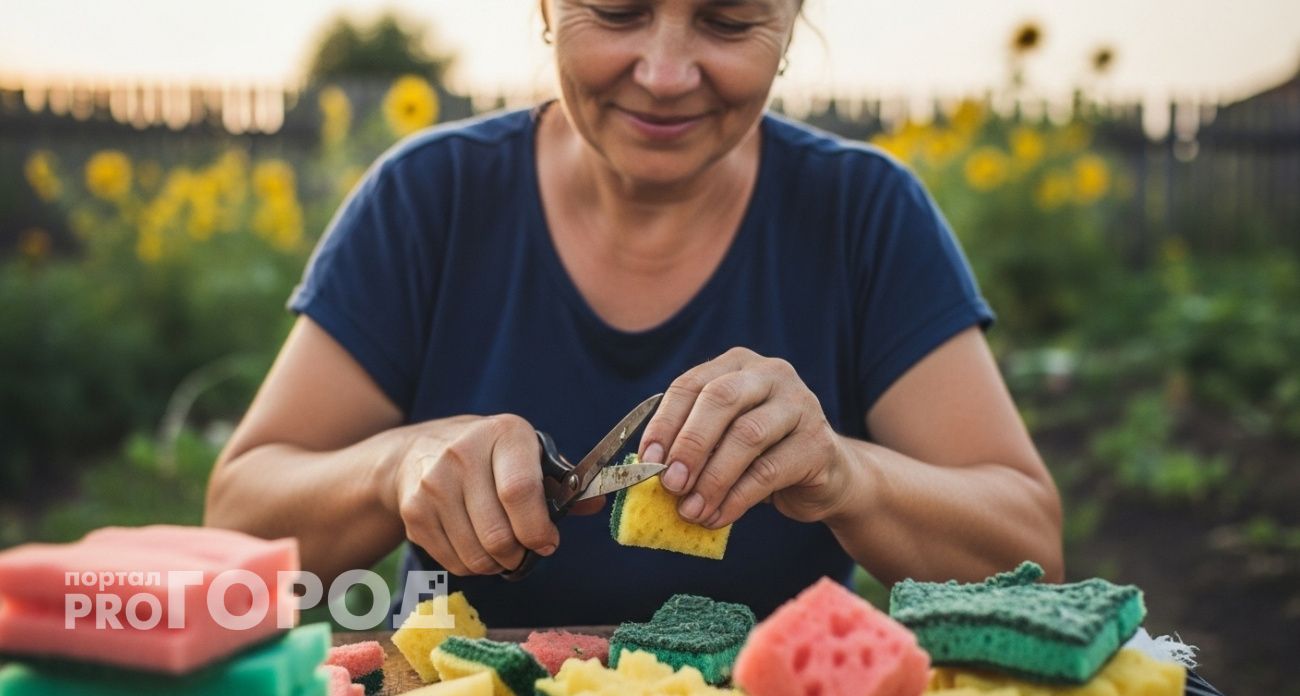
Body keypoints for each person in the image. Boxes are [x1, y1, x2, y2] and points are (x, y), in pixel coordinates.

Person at [205, 0, 1064, 628]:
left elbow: (1032, 561)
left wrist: (845, 474)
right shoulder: (430, 199)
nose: (663, 75)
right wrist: (395, 468)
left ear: (792, 24)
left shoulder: (864, 215)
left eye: (728, 24)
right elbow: (238, 528)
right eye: (617, 12)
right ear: (545, 9)